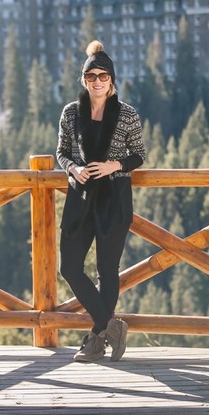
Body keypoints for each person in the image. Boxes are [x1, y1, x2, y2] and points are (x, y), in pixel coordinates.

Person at [56, 40, 146, 362]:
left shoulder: (127, 114)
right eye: (91, 76)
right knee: (69, 266)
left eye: (103, 76)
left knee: (107, 270)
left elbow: (139, 155)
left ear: (111, 80)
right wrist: (73, 168)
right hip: (80, 198)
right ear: (84, 80)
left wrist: (114, 165)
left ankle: (96, 341)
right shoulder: (71, 112)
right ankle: (110, 326)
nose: (97, 81)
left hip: (113, 199)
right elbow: (61, 152)